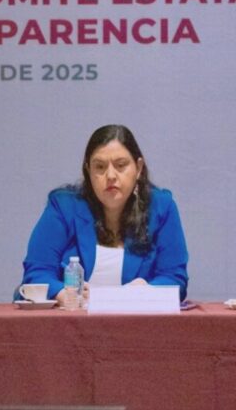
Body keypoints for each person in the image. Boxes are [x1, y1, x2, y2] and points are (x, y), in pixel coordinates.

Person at [20, 124, 188, 305]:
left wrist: (146, 290)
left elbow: (174, 279)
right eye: (100, 167)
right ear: (88, 171)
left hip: (137, 319)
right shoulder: (64, 207)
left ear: (138, 168)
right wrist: (63, 295)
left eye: (120, 165)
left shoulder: (161, 208)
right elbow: (37, 272)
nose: (110, 176)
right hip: (73, 318)